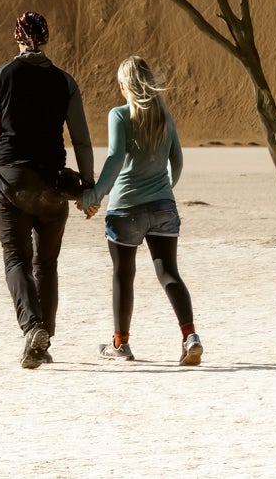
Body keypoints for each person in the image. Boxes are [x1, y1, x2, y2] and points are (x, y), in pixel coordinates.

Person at [0, 10, 95, 369]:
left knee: (16, 259)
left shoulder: (0, 76)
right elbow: (81, 140)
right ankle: (43, 339)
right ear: (46, 38)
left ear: (17, 38)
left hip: (13, 182)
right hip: (54, 184)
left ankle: (32, 327)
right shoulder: (65, 82)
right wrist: (87, 187)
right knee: (46, 264)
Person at [81, 56, 203, 366]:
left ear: (124, 85)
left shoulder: (119, 116)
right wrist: (164, 190)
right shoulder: (165, 116)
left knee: (123, 275)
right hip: (163, 208)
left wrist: (95, 195)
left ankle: (120, 344)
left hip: (125, 211)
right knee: (168, 272)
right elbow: (177, 161)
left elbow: (114, 159)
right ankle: (190, 337)